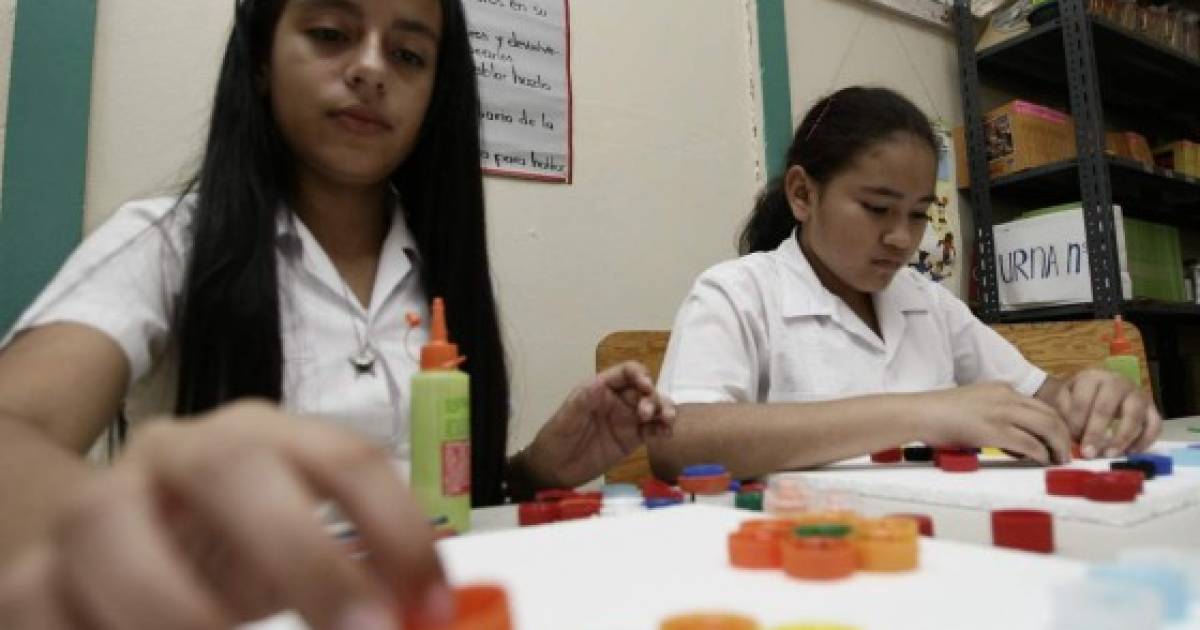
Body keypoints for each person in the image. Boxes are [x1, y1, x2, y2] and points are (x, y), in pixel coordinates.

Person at [0, 1, 673, 627]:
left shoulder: (443, 271)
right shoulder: (166, 242)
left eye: (409, 54)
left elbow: (430, 511)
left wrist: (530, 472)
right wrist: (92, 519)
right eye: (330, 34)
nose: (371, 67)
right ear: (262, 59)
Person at [649, 86, 1159, 482]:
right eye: (876, 208)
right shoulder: (739, 293)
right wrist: (926, 412)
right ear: (803, 194)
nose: (901, 239)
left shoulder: (926, 302)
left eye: (918, 215)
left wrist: (1093, 398)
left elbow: (1044, 396)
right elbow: (679, 442)